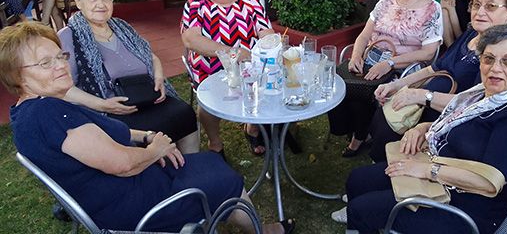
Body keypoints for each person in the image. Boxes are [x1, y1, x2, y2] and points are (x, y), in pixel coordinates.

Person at [3, 22, 295, 234]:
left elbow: (102, 135)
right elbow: (123, 165)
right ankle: (262, 230)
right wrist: (156, 150)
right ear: (17, 76)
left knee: (206, 163)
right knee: (221, 175)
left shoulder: (31, 111)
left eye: (60, 56)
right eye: (45, 63)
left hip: (118, 191)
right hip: (133, 206)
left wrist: (145, 135)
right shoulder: (49, 113)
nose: (60, 65)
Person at [343, 23, 507, 234]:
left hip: (466, 207)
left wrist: (427, 171)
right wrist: (423, 128)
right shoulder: (484, 95)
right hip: (442, 172)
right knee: (357, 180)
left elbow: (488, 183)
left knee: (361, 210)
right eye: (488, 58)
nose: (495, 68)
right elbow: (459, 124)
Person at [369, 0, 507, 162]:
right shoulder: (471, 35)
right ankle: (381, 161)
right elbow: (433, 69)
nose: (480, 12)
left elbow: (477, 104)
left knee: (391, 125)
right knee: (385, 111)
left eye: (491, 6)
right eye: (476, 4)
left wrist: (423, 96)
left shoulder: (501, 56)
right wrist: (397, 85)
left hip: (447, 124)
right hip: (424, 107)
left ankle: (388, 167)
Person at [57, 0, 199, 154]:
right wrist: (103, 104)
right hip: (110, 111)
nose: (100, 4)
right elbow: (62, 89)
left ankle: (191, 165)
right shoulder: (68, 37)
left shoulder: (122, 27)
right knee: (145, 128)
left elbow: (151, 57)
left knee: (184, 113)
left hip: (147, 97)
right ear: (78, 2)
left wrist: (158, 77)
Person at [328, 0, 443, 157]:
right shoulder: (386, 2)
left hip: (403, 68)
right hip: (371, 59)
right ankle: (351, 130)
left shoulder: (431, 9)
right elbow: (364, 35)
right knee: (337, 83)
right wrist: (356, 56)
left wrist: (389, 63)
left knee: (366, 91)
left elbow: (428, 53)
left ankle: (359, 138)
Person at [181, 0, 274, 157]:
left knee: (263, 82)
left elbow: (266, 33)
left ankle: (252, 128)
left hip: (249, 64)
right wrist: (233, 53)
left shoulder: (250, 3)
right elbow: (191, 40)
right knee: (208, 99)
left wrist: (271, 45)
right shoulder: (196, 5)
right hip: (209, 67)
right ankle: (215, 143)